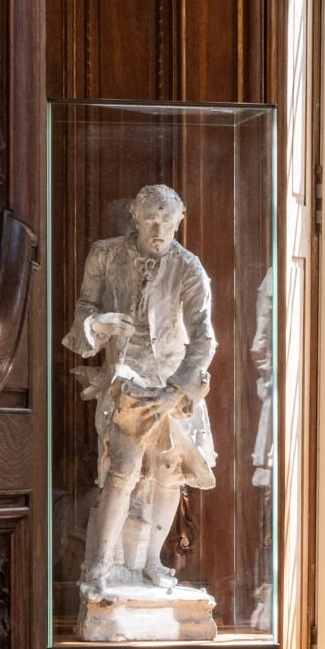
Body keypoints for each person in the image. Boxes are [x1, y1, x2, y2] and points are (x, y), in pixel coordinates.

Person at [61, 184, 217, 593]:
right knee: (123, 470)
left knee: (169, 475)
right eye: (150, 219)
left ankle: (152, 561)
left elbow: (204, 338)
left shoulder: (189, 267)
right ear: (133, 215)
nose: (158, 229)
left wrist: (177, 390)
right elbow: (84, 311)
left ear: (180, 220)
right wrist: (99, 325)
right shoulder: (105, 254)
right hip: (125, 383)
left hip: (172, 386)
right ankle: (98, 567)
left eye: (167, 221)